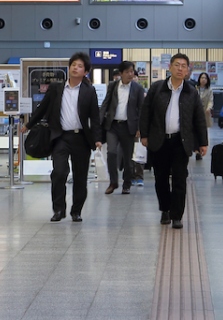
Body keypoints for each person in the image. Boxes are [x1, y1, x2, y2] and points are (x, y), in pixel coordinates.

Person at [25, 52, 101, 223]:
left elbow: (95, 117)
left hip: (81, 138)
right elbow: (42, 108)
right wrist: (28, 125)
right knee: (59, 172)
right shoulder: (56, 88)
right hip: (61, 137)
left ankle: (76, 211)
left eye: (80, 66)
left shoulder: (89, 91)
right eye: (73, 65)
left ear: (85, 72)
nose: (75, 68)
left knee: (80, 176)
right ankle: (59, 210)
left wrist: (97, 138)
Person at [141, 53, 209, 229]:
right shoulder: (157, 88)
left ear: (187, 71)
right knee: (161, 178)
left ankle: (177, 215)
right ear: (170, 67)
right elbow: (146, 112)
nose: (180, 69)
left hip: (181, 141)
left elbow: (199, 119)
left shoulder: (191, 92)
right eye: (177, 65)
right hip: (159, 140)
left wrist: (203, 142)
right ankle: (165, 209)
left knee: (180, 178)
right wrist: (144, 135)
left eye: (184, 66)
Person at [100, 60, 144, 195]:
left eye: (132, 71)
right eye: (127, 72)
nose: (130, 74)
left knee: (128, 157)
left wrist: (140, 128)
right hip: (113, 125)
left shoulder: (137, 88)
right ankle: (113, 182)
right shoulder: (113, 86)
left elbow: (141, 109)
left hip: (128, 126)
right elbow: (105, 104)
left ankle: (127, 184)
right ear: (121, 73)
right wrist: (99, 122)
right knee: (111, 153)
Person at [194, 71, 213, 160]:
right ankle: (196, 150)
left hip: (205, 113)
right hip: (195, 113)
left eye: (205, 78)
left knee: (203, 132)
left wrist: (209, 108)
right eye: (202, 78)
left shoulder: (209, 90)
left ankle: (201, 150)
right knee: (195, 132)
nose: (203, 80)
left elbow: (211, 101)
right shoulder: (195, 89)